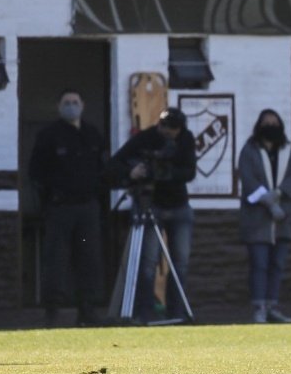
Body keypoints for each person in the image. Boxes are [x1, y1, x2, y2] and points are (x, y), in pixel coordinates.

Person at [108, 108, 197, 323]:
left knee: (180, 261)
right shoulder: (145, 139)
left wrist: (167, 173)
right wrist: (133, 172)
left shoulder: (186, 139)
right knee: (148, 261)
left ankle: (177, 311)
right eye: (165, 127)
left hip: (178, 205)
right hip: (150, 204)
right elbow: (115, 163)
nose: (169, 132)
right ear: (160, 125)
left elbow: (189, 172)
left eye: (174, 129)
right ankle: (144, 311)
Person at [28, 89, 105, 327]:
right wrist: (47, 201)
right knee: (56, 260)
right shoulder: (48, 135)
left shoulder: (92, 134)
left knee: (88, 259)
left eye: (75, 102)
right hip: (60, 209)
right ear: (58, 106)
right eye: (66, 102)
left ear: (83, 105)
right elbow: (35, 173)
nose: (71, 106)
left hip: (87, 209)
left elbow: (103, 170)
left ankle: (87, 311)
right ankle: (52, 312)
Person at [238, 109, 291, 323]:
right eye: (266, 122)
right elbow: (247, 179)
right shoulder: (250, 150)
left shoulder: (288, 150)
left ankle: (273, 306)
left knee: (277, 265)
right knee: (259, 264)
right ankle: (259, 307)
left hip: (284, 218)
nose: (270, 126)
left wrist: (279, 194)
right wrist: (267, 200)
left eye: (274, 122)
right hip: (258, 219)